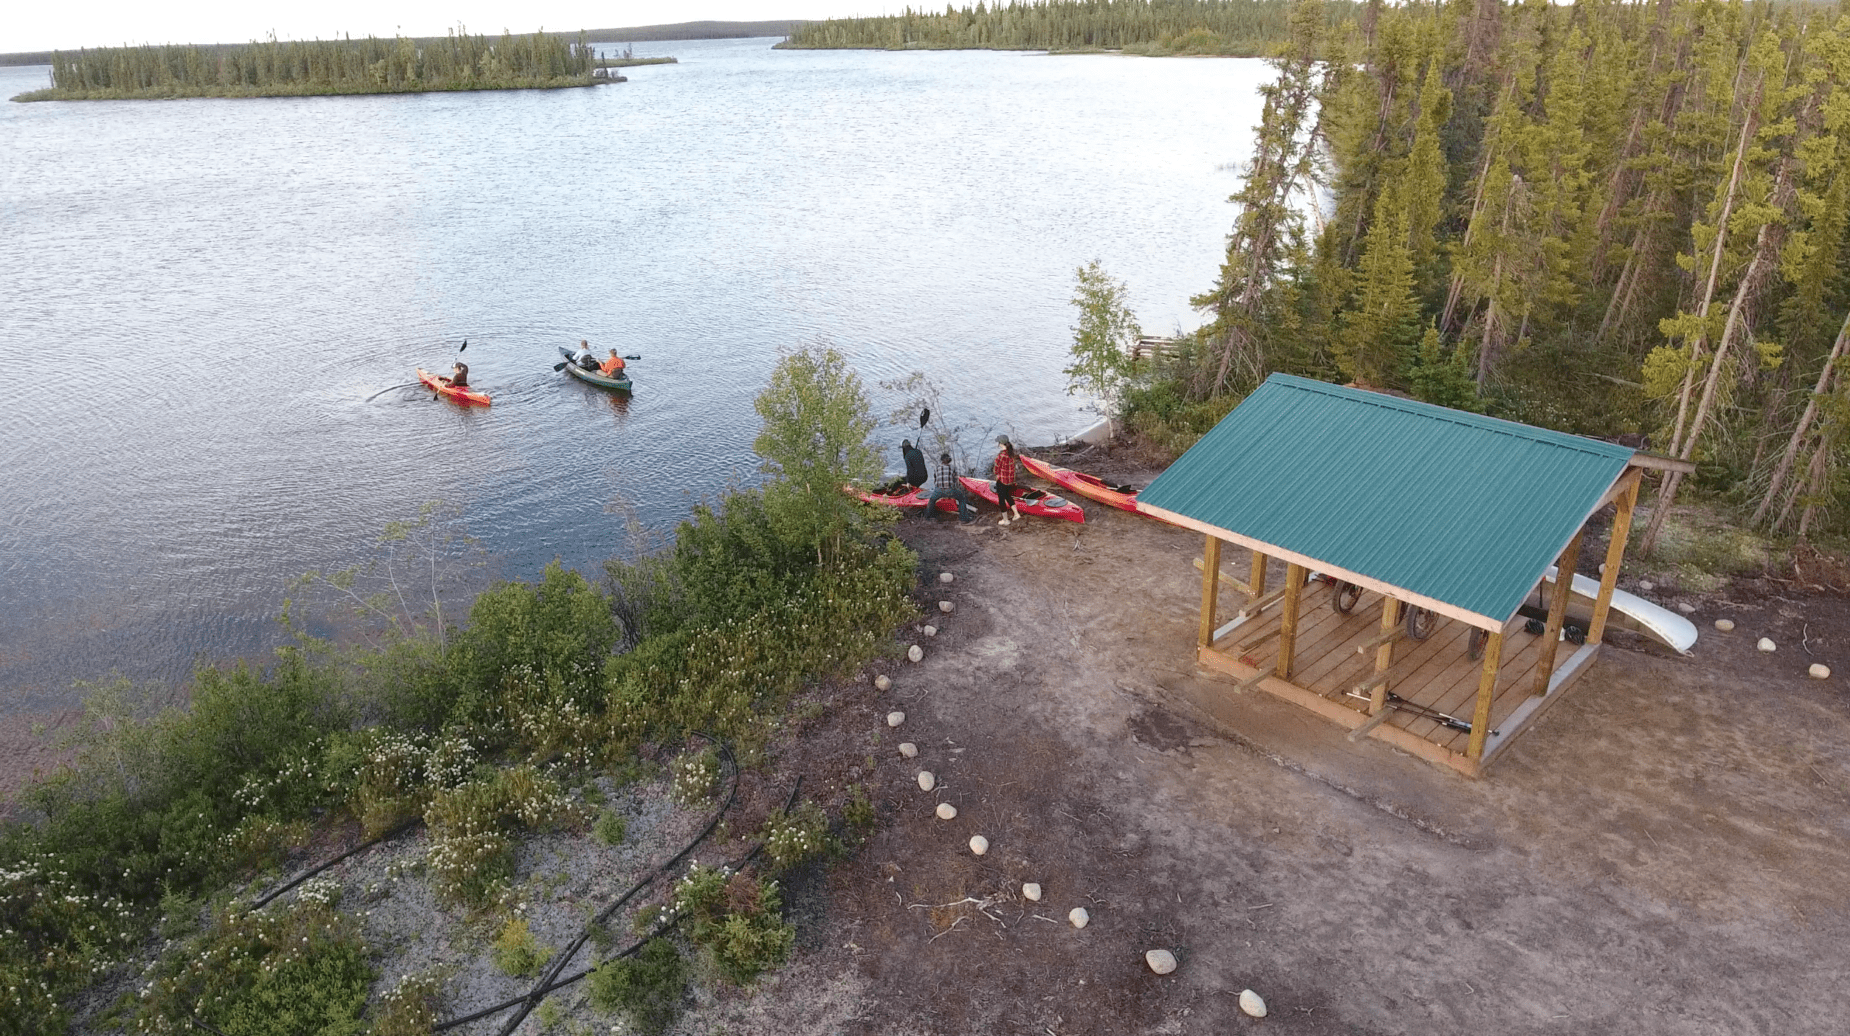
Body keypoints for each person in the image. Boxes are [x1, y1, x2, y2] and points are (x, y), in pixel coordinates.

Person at [928, 451, 977, 523]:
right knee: (962, 499)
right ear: (948, 460)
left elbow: (935, 480)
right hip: (949, 490)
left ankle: (929, 517)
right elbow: (955, 481)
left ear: (942, 460)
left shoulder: (937, 468)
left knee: (932, 500)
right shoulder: (952, 467)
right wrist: (959, 489)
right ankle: (963, 518)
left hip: (938, 490)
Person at [992, 434, 1023, 525]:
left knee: (1001, 500)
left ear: (1001, 444)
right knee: (1008, 496)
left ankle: (1005, 520)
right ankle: (1016, 514)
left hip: (1002, 481)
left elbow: (996, 470)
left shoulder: (1000, 456)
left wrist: (997, 474)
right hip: (1010, 481)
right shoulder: (1011, 453)